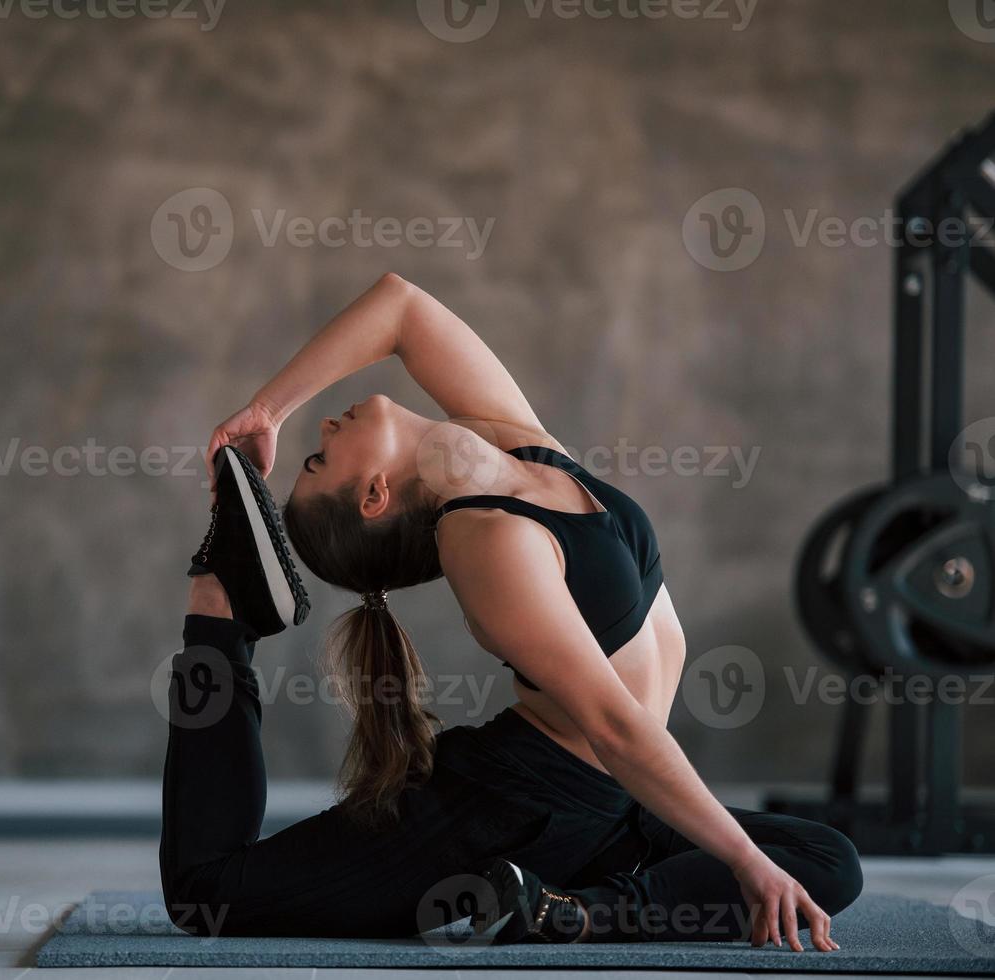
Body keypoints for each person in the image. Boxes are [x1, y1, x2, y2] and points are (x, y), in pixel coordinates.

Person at [159, 273, 861, 948]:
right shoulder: (484, 538)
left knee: (822, 858)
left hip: (612, 805)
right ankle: (218, 606)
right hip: (508, 807)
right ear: (373, 495)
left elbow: (402, 309)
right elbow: (613, 725)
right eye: (319, 459)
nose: (323, 430)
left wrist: (268, 409)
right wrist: (741, 857)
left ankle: (564, 910)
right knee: (208, 892)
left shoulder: (521, 449)